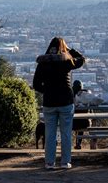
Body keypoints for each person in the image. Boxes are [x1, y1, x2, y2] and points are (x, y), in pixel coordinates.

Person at [33, 37, 85, 170]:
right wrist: (69, 50)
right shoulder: (66, 61)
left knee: (49, 133)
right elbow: (82, 60)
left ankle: (49, 162)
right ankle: (65, 162)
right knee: (66, 133)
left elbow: (36, 85)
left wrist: (48, 91)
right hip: (65, 101)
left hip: (49, 102)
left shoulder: (43, 63)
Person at [72, 80, 91, 150]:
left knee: (75, 122)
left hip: (73, 124)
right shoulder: (85, 95)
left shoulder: (72, 96)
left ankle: (75, 143)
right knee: (82, 122)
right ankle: (78, 143)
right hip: (85, 123)